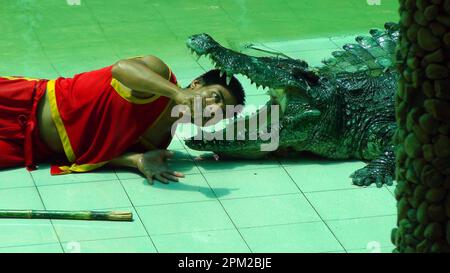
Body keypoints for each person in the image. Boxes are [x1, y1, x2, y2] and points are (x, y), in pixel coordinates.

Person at [0, 55, 245, 184]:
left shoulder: (160, 142)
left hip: (26, 148)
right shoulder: (160, 77)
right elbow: (121, 69)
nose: (213, 109)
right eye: (215, 97)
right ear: (197, 83)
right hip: (23, 101)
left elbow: (99, 154)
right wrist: (177, 93)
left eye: (222, 113)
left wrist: (137, 160)